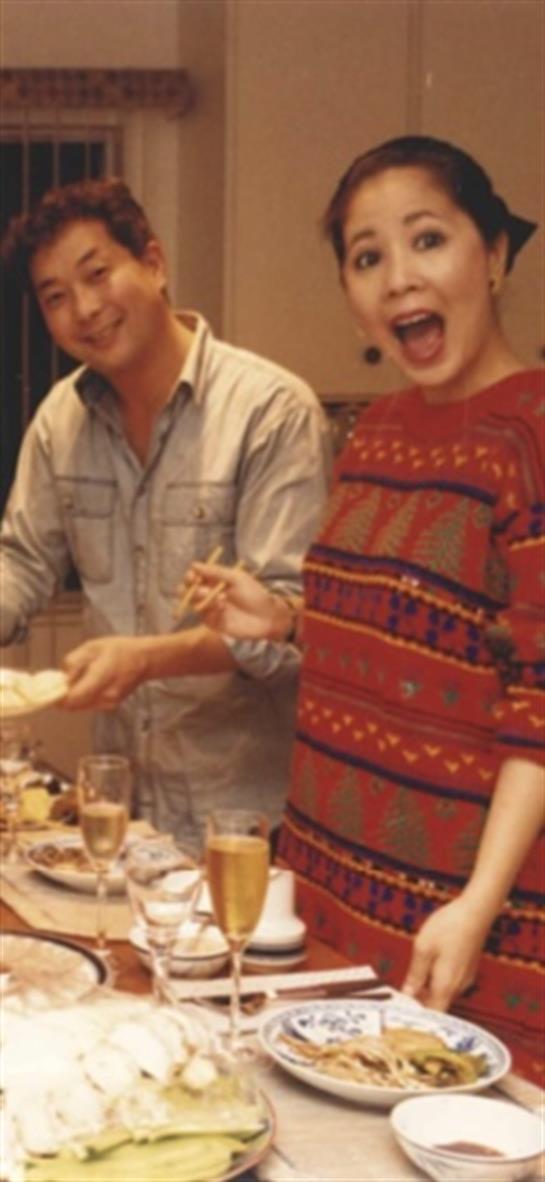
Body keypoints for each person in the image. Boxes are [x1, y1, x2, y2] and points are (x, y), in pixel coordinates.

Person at [185, 136, 544, 1077]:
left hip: (467, 928)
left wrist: (476, 904)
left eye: (426, 240)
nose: (396, 280)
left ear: (495, 253)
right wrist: (288, 620)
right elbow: (429, 630)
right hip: (333, 893)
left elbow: (539, 703)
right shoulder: (375, 431)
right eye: (366, 256)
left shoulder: (532, 437)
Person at [0, 178, 331, 845]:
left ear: (153, 263)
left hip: (247, 817)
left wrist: (147, 659)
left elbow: (289, 628)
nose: (84, 309)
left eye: (98, 275)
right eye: (56, 297)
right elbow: (23, 562)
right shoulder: (60, 420)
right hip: (121, 809)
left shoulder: (269, 411)